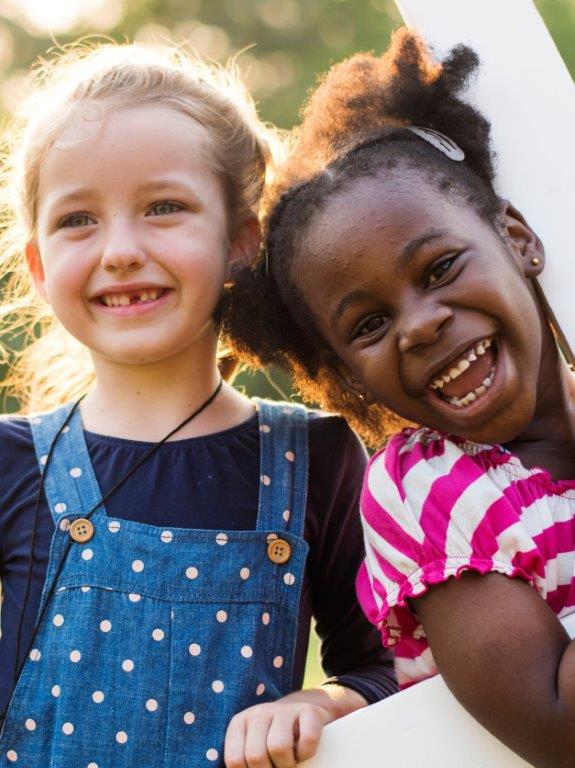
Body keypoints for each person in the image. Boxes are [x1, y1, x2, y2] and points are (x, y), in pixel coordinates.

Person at [0, 42, 397, 768]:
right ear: (38, 263)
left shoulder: (322, 459)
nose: (119, 249)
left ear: (241, 241)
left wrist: (322, 702)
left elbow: (383, 671)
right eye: (77, 220)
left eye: (164, 207)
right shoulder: (12, 459)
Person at [222, 28, 575, 768]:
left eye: (440, 267)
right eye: (370, 324)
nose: (419, 326)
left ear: (516, 239)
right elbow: (555, 725)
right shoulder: (428, 490)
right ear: (347, 376)